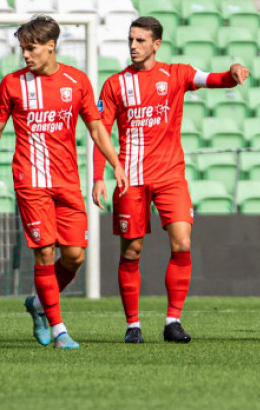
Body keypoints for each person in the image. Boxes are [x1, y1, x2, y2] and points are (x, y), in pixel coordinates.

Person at [0, 16, 125, 349]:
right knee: (45, 253)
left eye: (31, 48)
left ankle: (37, 304)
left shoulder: (76, 81)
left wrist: (115, 164)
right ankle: (60, 328)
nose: (25, 55)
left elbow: (96, 129)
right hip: (30, 181)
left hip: (66, 181)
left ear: (51, 46)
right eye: (22, 49)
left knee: (74, 255)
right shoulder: (12, 83)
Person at [94, 17, 248, 344]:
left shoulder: (176, 74)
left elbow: (215, 79)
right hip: (129, 178)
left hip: (170, 176)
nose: (133, 46)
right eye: (130, 40)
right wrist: (98, 177)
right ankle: (133, 325)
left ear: (156, 44)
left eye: (140, 40)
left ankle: (172, 321)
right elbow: (100, 135)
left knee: (183, 243)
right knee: (132, 252)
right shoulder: (115, 85)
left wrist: (233, 73)